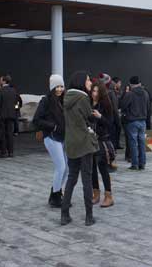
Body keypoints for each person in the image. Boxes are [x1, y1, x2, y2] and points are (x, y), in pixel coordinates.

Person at [61, 71, 98, 227]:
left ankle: (64, 214)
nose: (90, 83)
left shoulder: (66, 97)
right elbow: (88, 117)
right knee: (87, 179)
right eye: (88, 80)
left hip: (71, 142)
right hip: (84, 142)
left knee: (71, 178)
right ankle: (89, 216)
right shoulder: (83, 98)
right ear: (82, 82)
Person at [33, 74, 67, 208]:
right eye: (56, 87)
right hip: (52, 137)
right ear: (52, 88)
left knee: (67, 168)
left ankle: (56, 193)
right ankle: (56, 196)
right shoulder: (46, 100)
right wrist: (53, 126)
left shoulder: (63, 100)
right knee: (61, 167)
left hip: (63, 137)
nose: (59, 89)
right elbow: (37, 120)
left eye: (61, 86)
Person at [90, 80, 115, 208]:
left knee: (103, 168)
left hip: (101, 140)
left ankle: (108, 195)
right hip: (90, 140)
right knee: (92, 168)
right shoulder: (88, 103)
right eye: (93, 91)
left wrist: (100, 117)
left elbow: (110, 124)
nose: (94, 94)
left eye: (97, 92)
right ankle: (95, 194)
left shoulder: (105, 105)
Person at [120, 76, 151, 171]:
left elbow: (123, 105)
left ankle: (135, 164)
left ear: (131, 84)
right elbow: (148, 108)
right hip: (143, 121)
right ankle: (142, 164)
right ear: (139, 83)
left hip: (132, 121)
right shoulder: (145, 93)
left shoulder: (130, 94)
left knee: (133, 143)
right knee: (142, 143)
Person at [0, 75, 19, 158]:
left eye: (1, 80)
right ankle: (11, 152)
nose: (0, 81)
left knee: (3, 134)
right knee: (10, 134)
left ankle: (3, 152)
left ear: (4, 81)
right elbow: (16, 102)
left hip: (2, 115)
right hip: (11, 115)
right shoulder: (13, 90)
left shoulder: (0, 91)